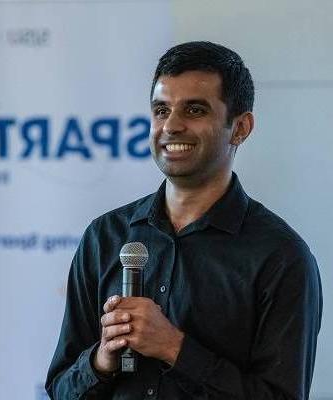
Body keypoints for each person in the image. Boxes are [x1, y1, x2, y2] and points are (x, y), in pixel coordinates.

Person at [45, 41, 323, 399]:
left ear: (240, 127)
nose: (171, 126)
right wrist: (101, 360)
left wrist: (175, 348)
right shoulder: (106, 237)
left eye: (194, 110)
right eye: (161, 110)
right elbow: (60, 390)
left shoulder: (280, 256)